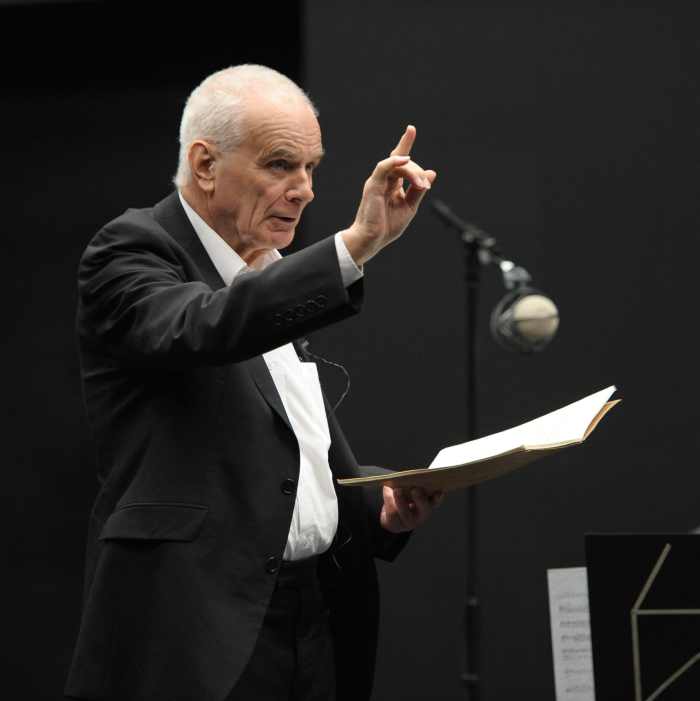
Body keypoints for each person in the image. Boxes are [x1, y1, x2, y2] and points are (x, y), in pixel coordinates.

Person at [65, 64, 440, 701]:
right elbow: (201, 328)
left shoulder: (266, 274)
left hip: (316, 623)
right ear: (205, 164)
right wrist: (355, 245)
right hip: (198, 631)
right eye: (280, 165)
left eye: (312, 168)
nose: (305, 191)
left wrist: (376, 505)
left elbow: (287, 458)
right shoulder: (131, 250)